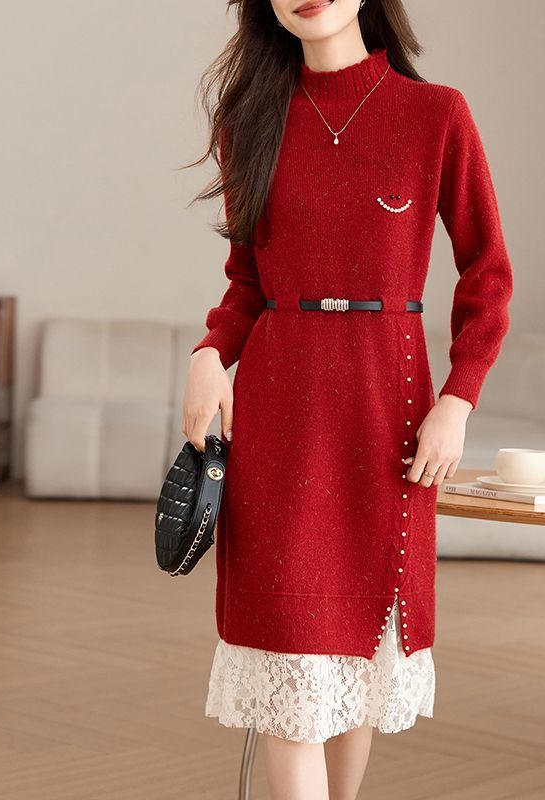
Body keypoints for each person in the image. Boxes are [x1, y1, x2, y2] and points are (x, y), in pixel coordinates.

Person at [181, 1, 514, 798]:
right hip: (278, 415)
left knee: (358, 656)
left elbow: (488, 273)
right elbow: (247, 283)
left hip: (385, 412)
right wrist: (208, 354)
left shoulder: (436, 115)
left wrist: (459, 398)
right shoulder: (248, 121)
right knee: (292, 657)